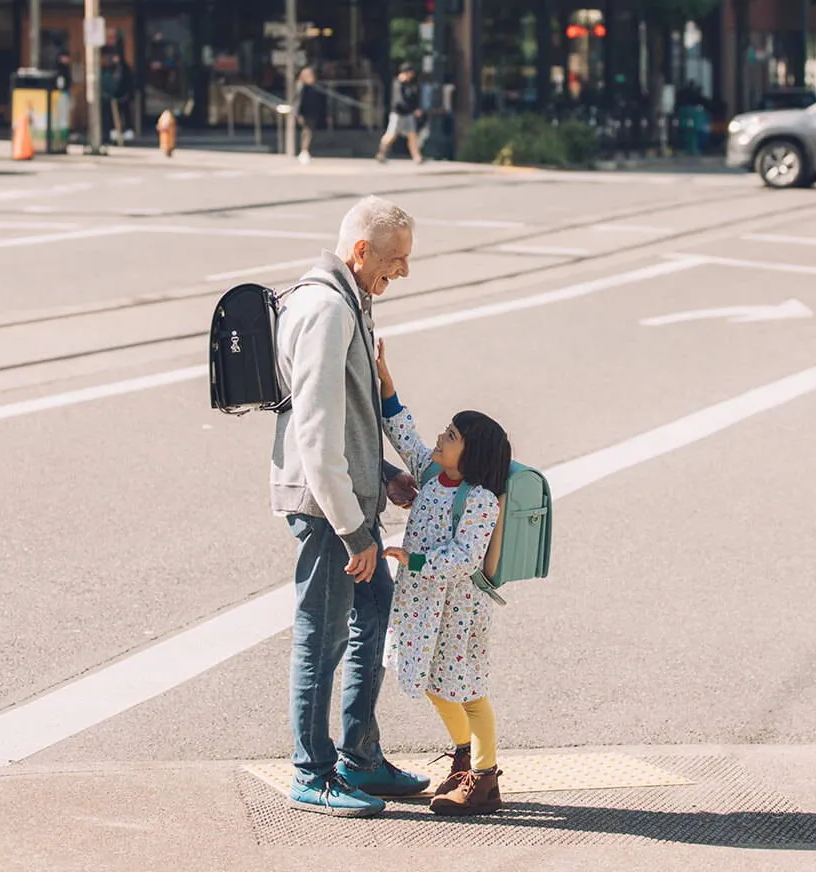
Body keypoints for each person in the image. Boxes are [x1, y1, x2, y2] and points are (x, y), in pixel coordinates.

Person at [271, 196, 429, 817]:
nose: (404, 273)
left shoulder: (353, 301)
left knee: (372, 619)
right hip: (327, 510)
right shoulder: (327, 309)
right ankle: (311, 771)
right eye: (396, 260)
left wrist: (384, 472)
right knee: (323, 634)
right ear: (361, 251)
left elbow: (350, 416)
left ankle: (359, 756)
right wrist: (352, 532)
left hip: (354, 498)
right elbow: (313, 432)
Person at [375, 338, 512, 816]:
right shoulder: (434, 475)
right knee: (433, 680)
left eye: (452, 435)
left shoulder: (480, 499)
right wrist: (388, 389)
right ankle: (463, 755)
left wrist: (411, 560)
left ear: (470, 454)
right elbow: (405, 436)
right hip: (424, 604)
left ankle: (485, 777)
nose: (442, 436)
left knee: (468, 691)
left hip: (459, 609)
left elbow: (462, 558)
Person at [376, 63, 424, 164]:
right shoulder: (398, 84)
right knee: (391, 134)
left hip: (408, 114)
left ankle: (417, 157)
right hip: (398, 114)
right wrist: (413, 109)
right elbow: (399, 101)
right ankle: (381, 153)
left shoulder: (411, 84)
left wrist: (415, 108)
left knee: (412, 135)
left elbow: (414, 97)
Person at [294, 66, 326, 164]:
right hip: (304, 111)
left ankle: (305, 150)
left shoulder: (314, 86)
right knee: (306, 131)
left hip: (312, 111)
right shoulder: (302, 86)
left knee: (308, 131)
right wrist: (297, 113)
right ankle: (304, 150)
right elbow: (298, 100)